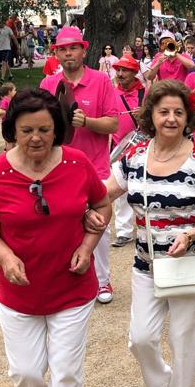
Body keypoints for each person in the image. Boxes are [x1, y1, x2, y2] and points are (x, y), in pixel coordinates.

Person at [0, 88, 112, 387]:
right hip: (20, 292)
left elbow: (101, 204)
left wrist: (88, 244)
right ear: (12, 130)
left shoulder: (78, 163)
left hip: (72, 285)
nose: (36, 138)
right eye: (27, 129)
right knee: (26, 371)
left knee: (66, 367)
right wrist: (6, 255)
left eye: (45, 130)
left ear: (58, 129)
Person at [101, 80, 195, 387]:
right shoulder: (135, 156)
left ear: (187, 118)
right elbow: (106, 192)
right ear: (150, 116)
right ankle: (162, 386)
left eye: (178, 112)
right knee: (140, 338)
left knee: (185, 339)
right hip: (146, 263)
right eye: (163, 111)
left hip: (190, 262)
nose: (170, 118)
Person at [40, 26, 120, 304]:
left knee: (97, 222)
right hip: (56, 168)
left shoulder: (101, 82)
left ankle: (102, 280)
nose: (68, 53)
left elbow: (113, 123)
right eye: (62, 49)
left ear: (84, 51)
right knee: (58, 225)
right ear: (57, 54)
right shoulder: (48, 85)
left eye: (73, 48)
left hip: (93, 167)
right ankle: (65, 278)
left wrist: (88, 122)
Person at [109, 56, 145, 248]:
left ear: (134, 72)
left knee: (144, 188)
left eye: (125, 70)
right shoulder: (111, 92)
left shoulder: (146, 93)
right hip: (119, 147)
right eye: (118, 70)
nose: (120, 74)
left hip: (142, 147)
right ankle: (124, 232)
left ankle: (145, 229)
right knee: (120, 188)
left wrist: (144, 116)